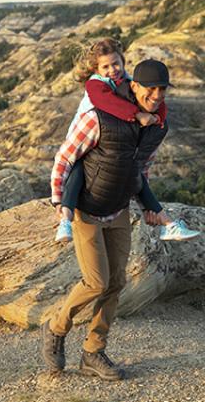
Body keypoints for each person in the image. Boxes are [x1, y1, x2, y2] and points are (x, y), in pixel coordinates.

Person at [42, 59, 192, 380]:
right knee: (96, 282)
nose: (156, 94)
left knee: (116, 283)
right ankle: (56, 329)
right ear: (133, 85)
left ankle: (93, 352)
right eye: (150, 88)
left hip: (119, 209)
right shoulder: (99, 117)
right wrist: (59, 201)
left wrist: (147, 206)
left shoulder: (157, 126)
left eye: (162, 89)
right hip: (86, 209)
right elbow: (65, 157)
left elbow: (141, 169)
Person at [54, 39, 199, 243]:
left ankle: (168, 224)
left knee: (135, 173)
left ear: (123, 63)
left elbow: (157, 102)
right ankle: (65, 220)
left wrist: (158, 119)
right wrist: (137, 115)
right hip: (85, 139)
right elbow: (109, 104)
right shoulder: (96, 85)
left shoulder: (127, 82)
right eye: (106, 66)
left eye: (116, 64)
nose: (113, 69)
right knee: (77, 173)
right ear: (96, 69)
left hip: (108, 142)